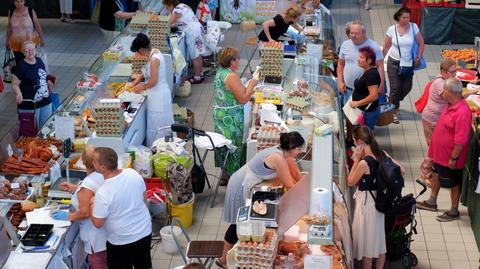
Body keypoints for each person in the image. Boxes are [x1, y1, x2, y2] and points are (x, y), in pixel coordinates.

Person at [216, 132, 305, 268]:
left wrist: (307, 187)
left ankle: (227, 257)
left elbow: (297, 175)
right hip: (240, 184)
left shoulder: (285, 155)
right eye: (299, 149)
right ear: (292, 148)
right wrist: (304, 200)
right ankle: (223, 259)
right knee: (238, 223)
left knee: (241, 223)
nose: (300, 152)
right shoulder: (278, 158)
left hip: (249, 181)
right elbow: (290, 186)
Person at [348, 125, 405, 269]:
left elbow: (350, 181)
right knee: (379, 243)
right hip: (380, 202)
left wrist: (355, 160)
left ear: (360, 142)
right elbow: (401, 170)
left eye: (355, 142)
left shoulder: (364, 163)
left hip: (367, 206)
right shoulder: (382, 154)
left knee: (367, 248)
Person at [417, 78, 472, 222]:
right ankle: (432, 202)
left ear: (451, 93)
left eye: (445, 90)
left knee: (453, 182)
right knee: (434, 174)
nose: (443, 92)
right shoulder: (450, 105)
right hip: (439, 155)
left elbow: (460, 141)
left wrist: (453, 158)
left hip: (450, 157)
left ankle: (454, 211)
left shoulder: (462, 112)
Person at [90, 147, 152, 269]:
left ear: (103, 167)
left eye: (94, 161)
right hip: (144, 232)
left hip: (122, 242)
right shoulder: (132, 173)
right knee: (144, 265)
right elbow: (144, 199)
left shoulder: (103, 192)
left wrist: (91, 203)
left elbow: (98, 223)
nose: (92, 163)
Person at [55, 146, 107, 269]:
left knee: (97, 263)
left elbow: (85, 213)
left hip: (95, 237)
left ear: (83, 162)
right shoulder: (102, 175)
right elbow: (94, 191)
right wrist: (76, 188)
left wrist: (67, 216)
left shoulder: (87, 184)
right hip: (107, 230)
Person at [213, 47, 258, 184]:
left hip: (221, 114)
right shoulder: (232, 76)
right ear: (232, 61)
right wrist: (252, 83)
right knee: (234, 145)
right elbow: (243, 98)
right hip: (231, 117)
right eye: (237, 59)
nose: (239, 61)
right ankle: (234, 178)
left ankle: (224, 174)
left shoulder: (221, 72)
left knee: (224, 144)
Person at [337, 20, 384, 143]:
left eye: (356, 33)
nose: (353, 35)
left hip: (365, 93)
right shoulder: (345, 45)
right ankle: (349, 140)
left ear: (364, 33)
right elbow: (340, 64)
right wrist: (340, 82)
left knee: (364, 124)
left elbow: (380, 66)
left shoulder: (373, 47)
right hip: (349, 90)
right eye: (351, 33)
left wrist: (381, 87)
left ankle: (363, 145)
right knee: (349, 118)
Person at [130, 33, 174, 147]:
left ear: (141, 50)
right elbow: (149, 71)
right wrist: (138, 79)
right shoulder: (154, 52)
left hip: (159, 97)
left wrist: (141, 86)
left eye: (137, 52)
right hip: (157, 94)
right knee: (156, 124)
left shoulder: (154, 59)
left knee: (159, 126)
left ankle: (162, 149)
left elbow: (153, 81)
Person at [382, 7, 424, 124]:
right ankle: (392, 112)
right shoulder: (391, 30)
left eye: (408, 17)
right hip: (394, 63)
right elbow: (386, 46)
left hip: (408, 63)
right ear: (398, 17)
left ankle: (394, 102)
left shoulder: (414, 27)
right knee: (395, 89)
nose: (407, 20)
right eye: (404, 17)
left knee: (407, 87)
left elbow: (421, 43)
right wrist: (379, 61)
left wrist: (419, 57)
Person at [163, 0, 206, 84]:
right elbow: (179, 21)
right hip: (197, 29)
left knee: (195, 55)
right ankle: (200, 73)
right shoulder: (183, 5)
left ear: (170, 5)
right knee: (198, 54)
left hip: (193, 32)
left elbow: (168, 24)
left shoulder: (176, 10)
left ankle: (197, 77)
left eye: (166, 6)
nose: (166, 8)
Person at [12, 41, 53, 128]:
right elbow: (15, 83)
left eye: (32, 49)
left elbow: (43, 76)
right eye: (27, 50)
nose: (30, 52)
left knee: (46, 128)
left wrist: (48, 81)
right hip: (30, 106)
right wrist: (18, 93)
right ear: (23, 52)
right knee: (30, 132)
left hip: (45, 102)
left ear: (35, 50)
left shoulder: (39, 61)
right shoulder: (21, 66)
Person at [421, 58, 457, 145]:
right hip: (432, 119)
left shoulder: (446, 79)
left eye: (456, 71)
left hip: (438, 118)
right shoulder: (440, 83)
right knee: (433, 145)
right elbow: (451, 99)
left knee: (436, 147)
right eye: (452, 72)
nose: (455, 74)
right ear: (444, 72)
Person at [349, 46, 381, 130]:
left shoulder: (372, 75)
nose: (358, 59)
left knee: (366, 137)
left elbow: (374, 96)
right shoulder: (366, 71)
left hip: (368, 113)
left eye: (362, 57)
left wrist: (357, 103)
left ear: (369, 61)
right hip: (363, 111)